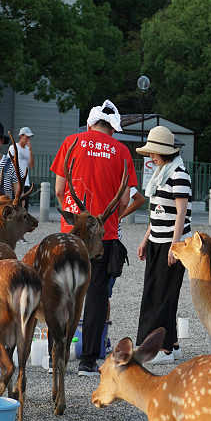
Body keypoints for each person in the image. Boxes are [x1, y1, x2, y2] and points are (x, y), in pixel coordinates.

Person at [51, 99, 144, 376]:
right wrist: (112, 219)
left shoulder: (71, 142)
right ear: (113, 129)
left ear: (91, 123)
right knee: (95, 296)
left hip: (71, 232)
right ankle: (88, 361)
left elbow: (58, 189)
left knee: (61, 292)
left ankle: (56, 356)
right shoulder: (121, 151)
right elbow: (126, 197)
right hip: (103, 236)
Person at [135, 126, 191, 364]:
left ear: (165, 152)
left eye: (154, 152)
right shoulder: (160, 173)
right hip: (157, 240)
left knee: (165, 296)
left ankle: (164, 349)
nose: (151, 156)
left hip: (172, 241)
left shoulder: (179, 174)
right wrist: (145, 238)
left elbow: (181, 213)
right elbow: (155, 212)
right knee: (153, 292)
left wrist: (175, 245)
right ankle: (172, 345)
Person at [8, 127, 35, 208]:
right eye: (27, 137)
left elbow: (31, 165)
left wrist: (30, 150)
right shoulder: (13, 147)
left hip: (25, 182)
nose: (28, 139)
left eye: (29, 137)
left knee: (24, 208)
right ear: (21, 136)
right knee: (15, 206)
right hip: (15, 181)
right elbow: (9, 163)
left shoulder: (28, 149)